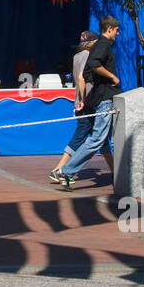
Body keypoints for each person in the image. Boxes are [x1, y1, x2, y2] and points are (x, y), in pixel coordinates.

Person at [56, 16, 121, 190]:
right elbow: (92, 66)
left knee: (104, 140)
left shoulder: (94, 49)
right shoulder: (103, 45)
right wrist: (112, 76)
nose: (118, 33)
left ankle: (119, 171)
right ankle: (66, 171)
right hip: (104, 99)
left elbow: (86, 73)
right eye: (116, 30)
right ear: (109, 29)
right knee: (97, 139)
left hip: (101, 98)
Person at [51, 30, 99, 184]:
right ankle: (59, 169)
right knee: (80, 136)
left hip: (80, 99)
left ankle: (115, 172)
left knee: (102, 139)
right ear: (92, 43)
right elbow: (81, 78)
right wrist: (84, 99)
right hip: (88, 100)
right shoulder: (88, 56)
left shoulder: (77, 56)